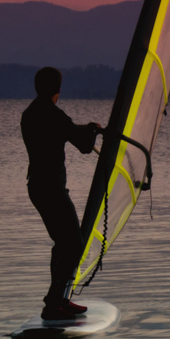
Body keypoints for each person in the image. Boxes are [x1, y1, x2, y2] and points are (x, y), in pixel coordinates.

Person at [22, 67, 104, 319]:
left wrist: (82, 128)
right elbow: (84, 147)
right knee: (75, 244)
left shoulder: (31, 113)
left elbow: (63, 129)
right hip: (52, 190)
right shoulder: (55, 116)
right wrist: (91, 132)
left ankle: (57, 300)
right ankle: (54, 302)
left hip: (36, 187)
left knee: (62, 243)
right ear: (58, 88)